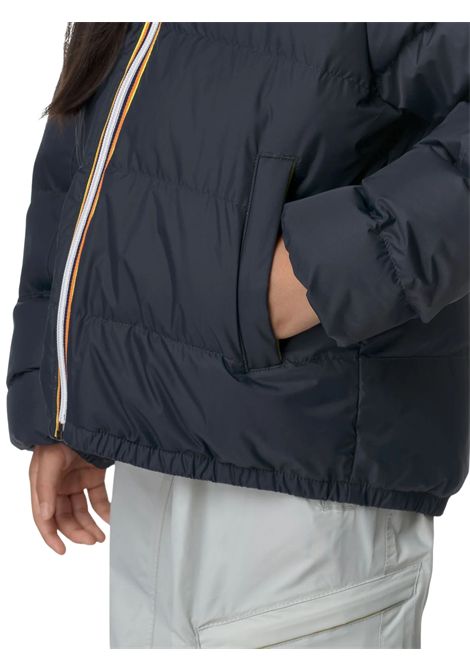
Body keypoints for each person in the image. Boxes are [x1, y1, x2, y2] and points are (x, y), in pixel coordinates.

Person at [6, 22, 469, 649]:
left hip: (305, 492)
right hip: (147, 468)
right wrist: (64, 395)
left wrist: (323, 270)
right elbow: (82, 152)